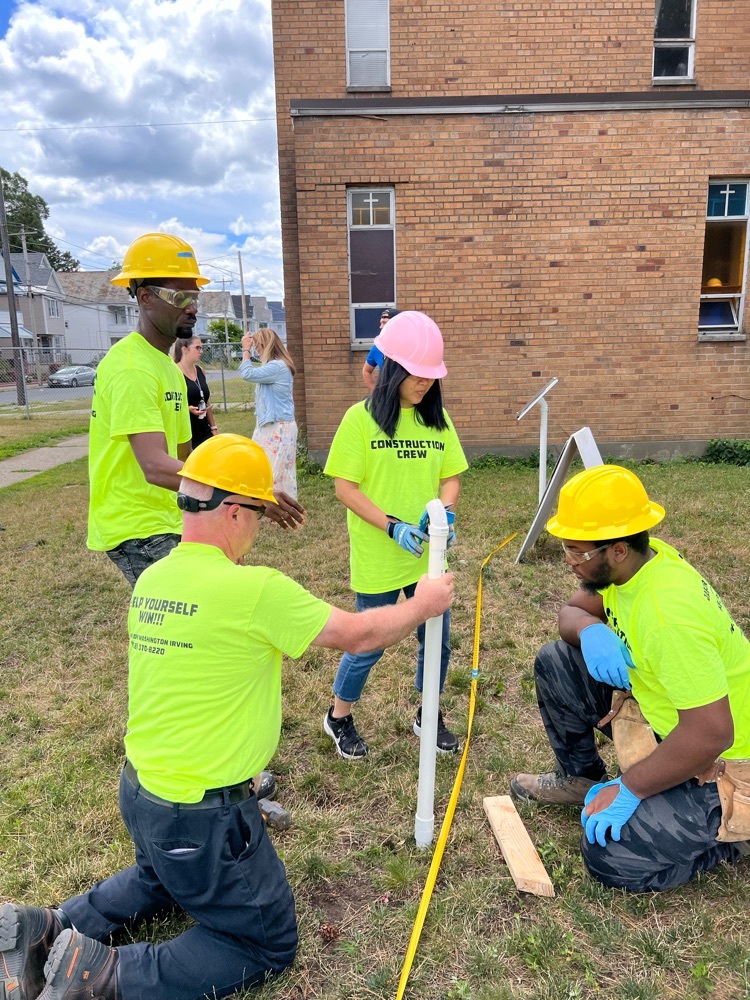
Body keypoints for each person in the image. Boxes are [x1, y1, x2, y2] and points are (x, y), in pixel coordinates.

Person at [0, 433, 454, 1000]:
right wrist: (424, 602)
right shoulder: (253, 589)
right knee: (263, 942)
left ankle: (47, 927)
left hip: (141, 796)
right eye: (258, 513)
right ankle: (104, 977)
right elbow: (360, 636)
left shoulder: (155, 579)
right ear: (234, 511)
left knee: (159, 878)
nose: (258, 527)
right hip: (202, 819)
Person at [510, 464, 750, 893]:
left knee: (610, 858)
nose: (569, 561)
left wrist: (631, 787)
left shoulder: (668, 620)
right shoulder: (639, 560)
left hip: (727, 758)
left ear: (617, 549)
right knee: (558, 659)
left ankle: (735, 837)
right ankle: (581, 778)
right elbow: (571, 612)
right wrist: (589, 629)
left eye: (576, 552)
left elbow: (712, 734)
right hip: (672, 717)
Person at [89, 233, 302, 589]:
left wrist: (218, 523)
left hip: (171, 516)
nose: (192, 306)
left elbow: (188, 459)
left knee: (210, 614)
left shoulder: (168, 368)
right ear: (144, 297)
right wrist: (251, 493)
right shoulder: (131, 367)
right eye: (180, 296)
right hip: (138, 526)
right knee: (192, 622)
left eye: (195, 296)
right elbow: (156, 467)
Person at [323, 310, 468, 759]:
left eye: (430, 376)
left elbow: (450, 477)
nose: (424, 383)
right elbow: (344, 487)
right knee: (370, 641)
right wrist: (391, 525)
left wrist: (443, 512)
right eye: (416, 374)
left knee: (436, 640)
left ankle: (429, 712)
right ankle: (339, 716)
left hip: (428, 554)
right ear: (392, 369)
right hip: (379, 553)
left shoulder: (437, 419)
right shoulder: (359, 420)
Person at [240, 328, 298, 499]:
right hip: (270, 425)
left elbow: (247, 373)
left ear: (266, 345)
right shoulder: (274, 367)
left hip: (280, 426)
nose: (255, 349)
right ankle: (268, 503)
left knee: (277, 470)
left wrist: (245, 350)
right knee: (265, 466)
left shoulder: (277, 367)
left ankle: (278, 506)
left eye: (257, 346)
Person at [174, 336, 217, 447]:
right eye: (197, 348)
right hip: (186, 433)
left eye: (201, 348)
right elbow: (170, 404)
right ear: (184, 350)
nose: (201, 351)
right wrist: (187, 409)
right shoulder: (174, 372)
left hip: (204, 431)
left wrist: (213, 428)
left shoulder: (200, 370)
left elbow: (206, 401)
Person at [362, 307, 400, 392]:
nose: (380, 327)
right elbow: (366, 371)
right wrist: (377, 393)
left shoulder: (411, 347)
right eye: (381, 323)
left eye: (384, 323)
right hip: (388, 400)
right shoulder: (377, 348)